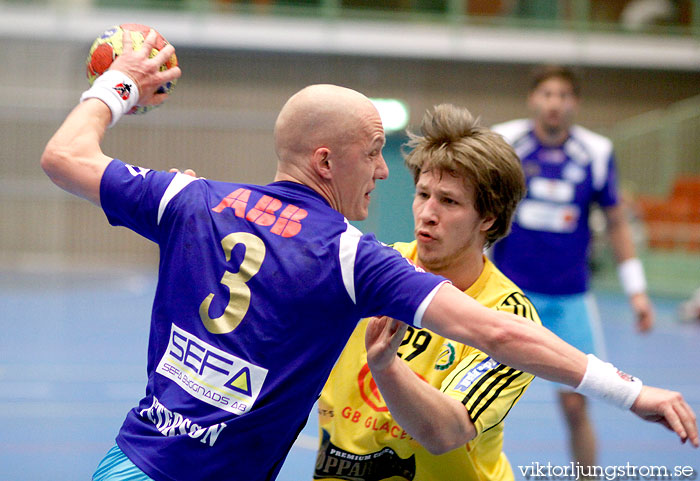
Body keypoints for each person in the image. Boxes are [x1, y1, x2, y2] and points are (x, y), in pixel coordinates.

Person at [40, 30, 696, 481]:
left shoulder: (194, 199)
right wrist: (630, 390)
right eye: (375, 150)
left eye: (449, 198)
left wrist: (118, 86)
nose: (386, 173)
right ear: (327, 161)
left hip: (130, 460)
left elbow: (64, 158)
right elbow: (496, 333)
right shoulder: (354, 260)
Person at [314, 104, 541, 481]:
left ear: (489, 217)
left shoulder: (508, 316)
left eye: (448, 201)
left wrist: (385, 367)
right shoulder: (365, 269)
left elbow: (445, 431)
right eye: (423, 194)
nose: (427, 213)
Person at [491, 65, 656, 469]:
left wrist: (637, 291)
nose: (554, 103)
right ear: (533, 99)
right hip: (509, 297)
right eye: (547, 94)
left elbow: (616, 222)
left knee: (577, 407)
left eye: (563, 95)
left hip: (570, 300)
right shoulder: (505, 142)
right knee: (477, 403)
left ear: (575, 103)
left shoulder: (596, 152)